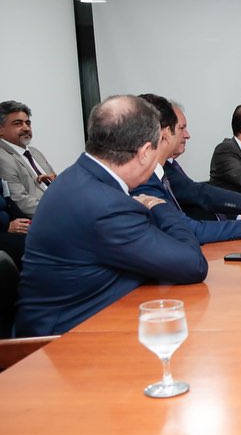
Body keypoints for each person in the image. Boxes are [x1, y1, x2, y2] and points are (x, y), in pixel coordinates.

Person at [16, 95, 207, 337]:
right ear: (146, 151)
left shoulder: (78, 177)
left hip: (92, 317)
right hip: (66, 342)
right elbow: (193, 265)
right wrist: (159, 206)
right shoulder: (106, 205)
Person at [131, 94, 241, 244]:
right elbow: (189, 227)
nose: (187, 135)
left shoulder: (163, 169)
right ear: (163, 133)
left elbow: (198, 193)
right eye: (180, 128)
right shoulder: (142, 180)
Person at [0, 100, 56, 217]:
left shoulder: (35, 152)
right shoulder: (2, 157)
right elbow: (21, 202)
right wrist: (61, 209)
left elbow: (55, 184)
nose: (26, 128)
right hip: (43, 218)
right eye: (18, 124)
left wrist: (59, 182)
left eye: (28, 123)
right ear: (1, 130)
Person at [0, 179, 29, 267]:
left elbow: (8, 201)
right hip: (3, 233)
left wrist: (28, 221)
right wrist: (7, 229)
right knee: (33, 244)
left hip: (9, 229)